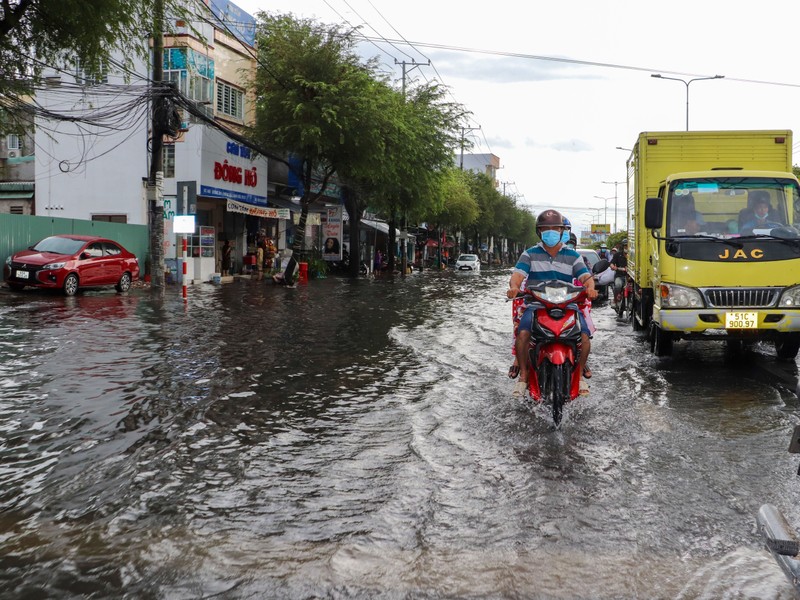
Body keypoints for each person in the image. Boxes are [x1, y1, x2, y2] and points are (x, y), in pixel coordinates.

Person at [507, 209, 598, 397]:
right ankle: (524, 375)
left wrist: (590, 288)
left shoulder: (573, 256)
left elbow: (586, 277)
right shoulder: (529, 254)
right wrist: (514, 287)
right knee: (523, 334)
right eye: (545, 228)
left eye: (555, 227)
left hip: (568, 305)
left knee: (584, 336)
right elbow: (517, 276)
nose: (550, 231)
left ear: (561, 230)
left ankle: (579, 376)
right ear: (539, 232)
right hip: (536, 305)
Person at [610, 239, 628, 308]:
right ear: (623, 247)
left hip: (630, 278)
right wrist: (612, 266)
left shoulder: (633, 256)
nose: (627, 247)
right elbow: (612, 263)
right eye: (626, 246)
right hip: (619, 276)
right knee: (618, 285)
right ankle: (615, 300)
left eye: (628, 246)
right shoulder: (617, 255)